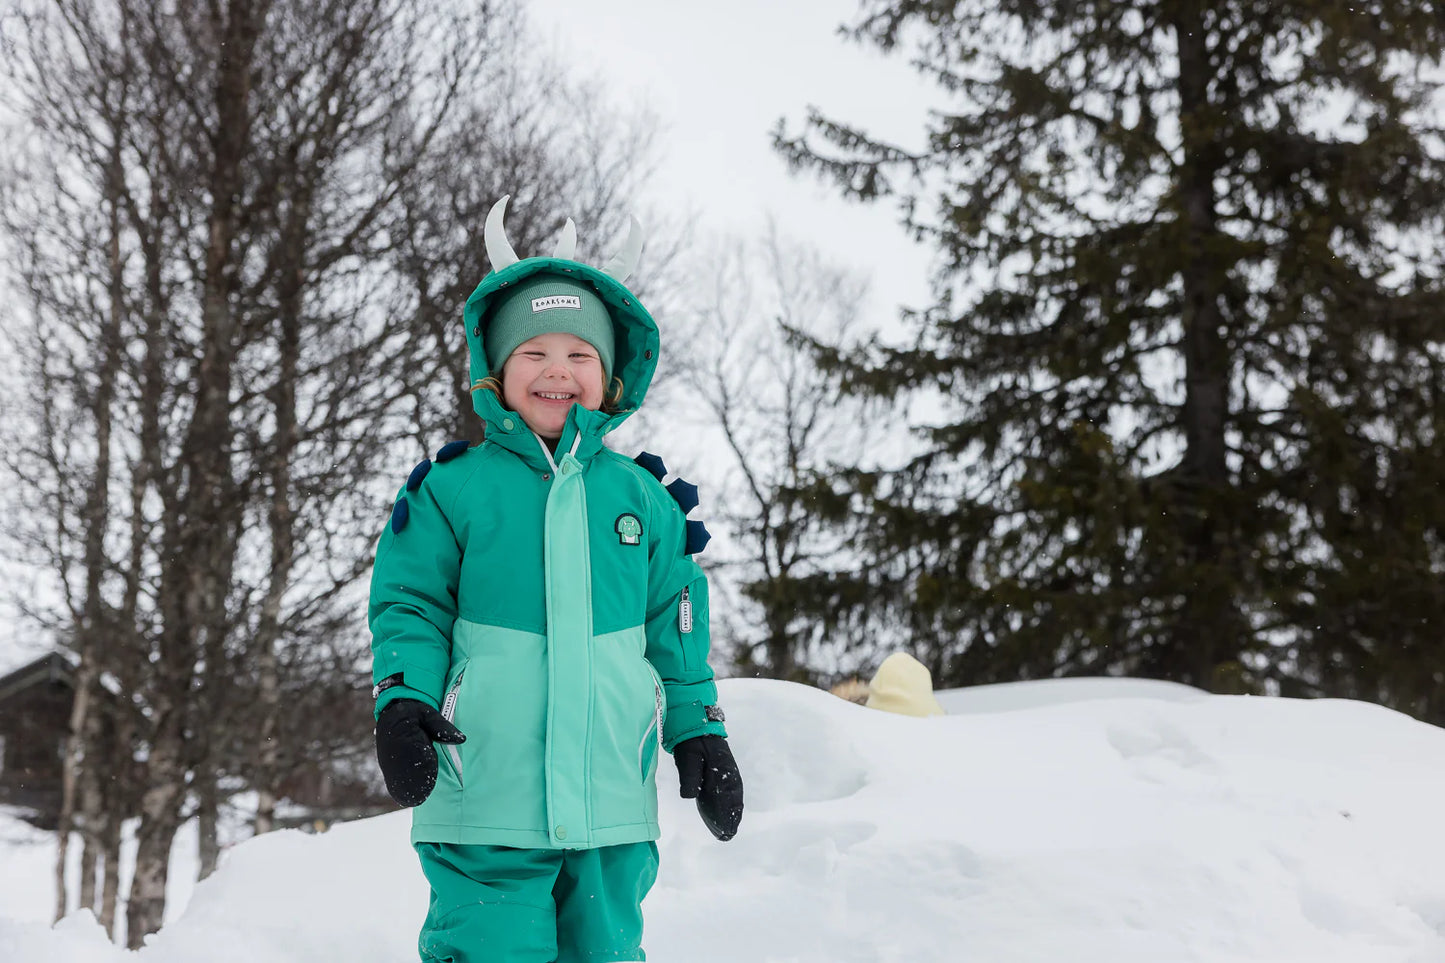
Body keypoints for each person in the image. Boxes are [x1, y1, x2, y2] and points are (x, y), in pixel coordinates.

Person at [368, 195, 743, 963]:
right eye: (533, 352)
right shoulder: (451, 490)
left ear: (608, 379)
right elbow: (411, 602)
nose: (556, 370)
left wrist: (698, 728)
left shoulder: (644, 501)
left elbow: (675, 625)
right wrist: (402, 696)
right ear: (497, 372)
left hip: (610, 798)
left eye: (579, 355)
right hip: (486, 794)